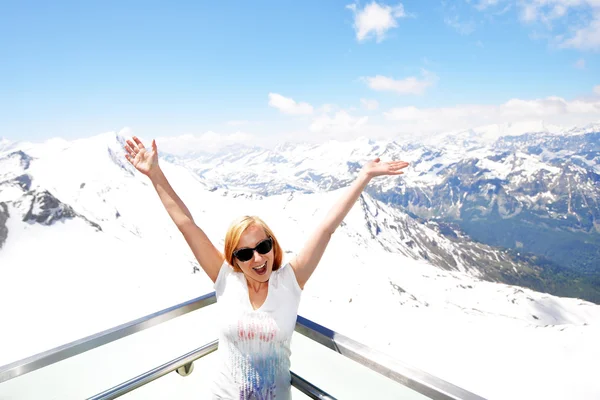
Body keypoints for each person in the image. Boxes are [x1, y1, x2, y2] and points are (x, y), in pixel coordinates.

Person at [124, 136, 409, 399]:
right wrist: (155, 173)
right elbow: (186, 224)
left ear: (273, 245)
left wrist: (364, 176)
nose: (258, 259)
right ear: (234, 259)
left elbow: (326, 228)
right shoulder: (225, 278)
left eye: (263, 247)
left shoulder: (289, 281)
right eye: (246, 253)